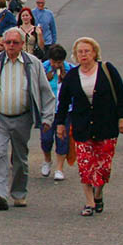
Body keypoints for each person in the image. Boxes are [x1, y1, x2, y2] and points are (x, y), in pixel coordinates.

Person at [0, 28, 57, 210]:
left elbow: (46, 92)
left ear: (22, 44)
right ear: (3, 43)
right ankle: (0, 193)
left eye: (15, 42)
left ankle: (19, 193)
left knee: (20, 158)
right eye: (8, 42)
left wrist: (47, 118)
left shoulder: (33, 64)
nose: (11, 46)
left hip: (23, 117)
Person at [53, 37, 123, 216]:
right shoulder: (72, 76)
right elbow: (63, 102)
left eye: (87, 51)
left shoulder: (107, 70)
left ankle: (98, 193)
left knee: (103, 167)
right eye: (80, 52)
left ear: (94, 53)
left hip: (106, 125)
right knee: (86, 166)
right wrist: (60, 124)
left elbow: (121, 94)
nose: (83, 55)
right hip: (82, 127)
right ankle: (89, 202)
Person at [39, 45, 72, 181]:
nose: (57, 65)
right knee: (46, 139)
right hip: (47, 110)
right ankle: (47, 160)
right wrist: (46, 78)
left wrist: (66, 78)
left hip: (64, 110)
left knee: (62, 139)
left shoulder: (70, 69)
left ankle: (59, 168)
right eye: (54, 62)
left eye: (59, 62)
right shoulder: (42, 67)